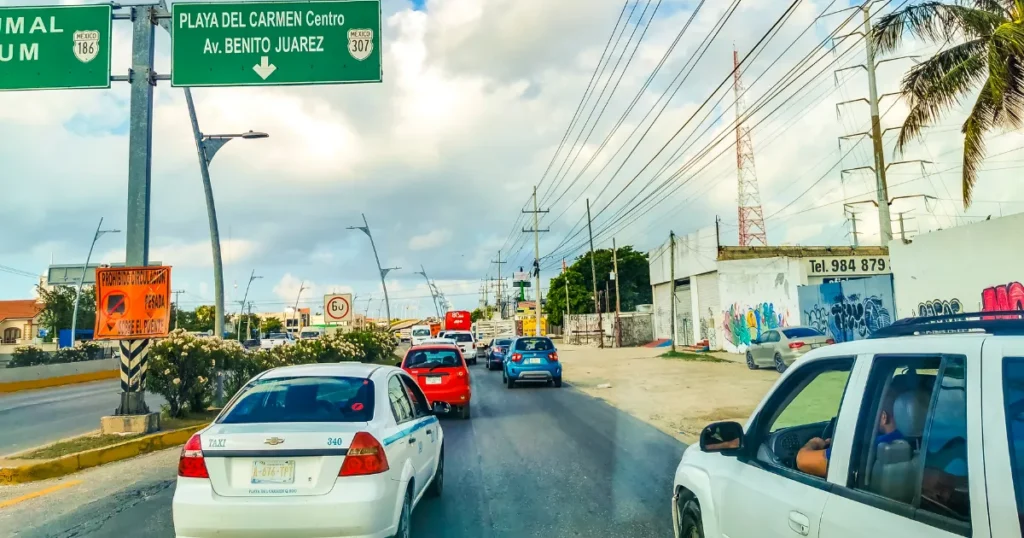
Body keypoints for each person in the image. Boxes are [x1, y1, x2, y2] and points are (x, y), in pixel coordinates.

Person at [796, 383, 909, 477]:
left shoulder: (872, 447)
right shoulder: (917, 439)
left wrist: (813, 443)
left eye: (873, 411)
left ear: (883, 417)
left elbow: (803, 461)